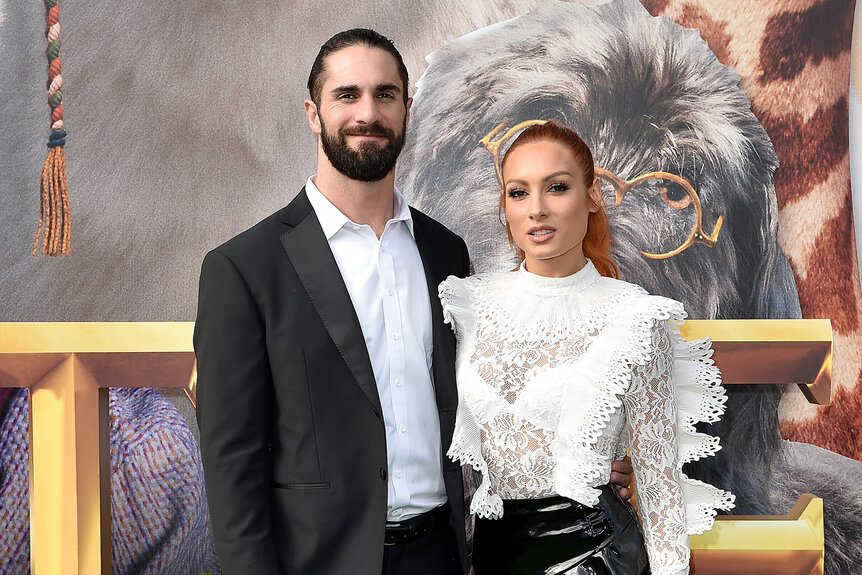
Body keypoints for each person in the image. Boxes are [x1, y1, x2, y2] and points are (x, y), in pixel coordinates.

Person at [194, 31, 633, 575]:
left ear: (407, 109)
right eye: (347, 95)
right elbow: (230, 461)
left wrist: (575, 456)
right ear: (314, 113)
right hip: (317, 561)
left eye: (385, 95)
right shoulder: (244, 268)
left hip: (441, 555)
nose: (368, 112)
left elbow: (488, 393)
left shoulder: (444, 252)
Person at [439, 120, 735, 575]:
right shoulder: (468, 305)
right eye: (518, 192)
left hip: (596, 557)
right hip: (495, 554)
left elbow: (659, 488)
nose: (536, 209)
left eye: (556, 187)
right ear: (504, 207)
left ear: (592, 195)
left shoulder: (635, 318)